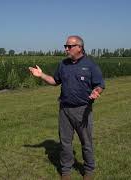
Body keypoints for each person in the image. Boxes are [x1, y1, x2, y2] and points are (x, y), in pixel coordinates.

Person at [29, 35, 105, 180]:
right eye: (65, 46)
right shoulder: (63, 64)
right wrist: (41, 75)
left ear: (79, 47)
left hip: (83, 110)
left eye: (69, 46)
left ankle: (88, 170)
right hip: (64, 110)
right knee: (65, 143)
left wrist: (96, 91)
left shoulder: (90, 65)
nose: (66, 49)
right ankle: (66, 171)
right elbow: (54, 81)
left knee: (86, 142)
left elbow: (100, 84)